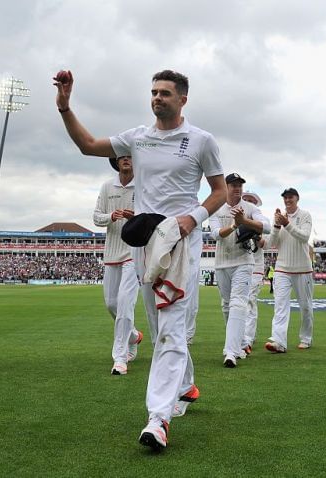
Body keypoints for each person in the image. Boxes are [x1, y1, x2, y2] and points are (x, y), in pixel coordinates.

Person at [54, 69, 226, 451]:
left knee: (170, 324)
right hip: (144, 242)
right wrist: (66, 107)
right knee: (159, 322)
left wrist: (190, 219)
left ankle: (158, 418)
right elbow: (86, 145)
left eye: (165, 93)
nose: (157, 98)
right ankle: (185, 385)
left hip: (181, 242)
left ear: (182, 99)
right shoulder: (137, 138)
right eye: (153, 92)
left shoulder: (201, 141)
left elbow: (219, 191)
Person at [209, 175, 270, 367]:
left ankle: (230, 352)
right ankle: (242, 342)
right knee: (227, 305)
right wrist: (235, 224)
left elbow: (266, 227)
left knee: (238, 303)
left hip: (244, 262)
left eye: (240, 186)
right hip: (221, 263)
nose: (238, 189)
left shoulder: (250, 208)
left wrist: (245, 221)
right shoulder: (217, 208)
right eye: (234, 185)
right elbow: (216, 234)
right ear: (226, 187)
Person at [93, 155, 143, 375]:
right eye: (121, 157)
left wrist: (136, 217)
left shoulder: (143, 185)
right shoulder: (107, 186)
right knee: (111, 304)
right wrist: (111, 216)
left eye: (129, 156)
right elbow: (96, 217)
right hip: (112, 252)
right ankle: (133, 336)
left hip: (134, 252)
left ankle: (120, 358)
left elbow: (153, 216)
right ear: (116, 162)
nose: (125, 160)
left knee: (124, 304)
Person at [265, 188, 314, 353]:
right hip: (282, 268)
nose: (287, 200)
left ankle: (306, 338)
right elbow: (272, 243)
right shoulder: (279, 218)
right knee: (280, 305)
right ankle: (278, 341)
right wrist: (277, 226)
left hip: (303, 269)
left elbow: (304, 237)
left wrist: (287, 223)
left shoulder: (305, 215)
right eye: (285, 198)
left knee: (305, 306)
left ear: (297, 198)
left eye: (290, 197)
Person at [241, 190, 267, 356]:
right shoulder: (234, 217)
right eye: (246, 199)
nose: (249, 202)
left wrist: (256, 235)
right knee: (237, 302)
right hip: (240, 266)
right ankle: (241, 335)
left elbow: (265, 243)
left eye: (252, 200)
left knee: (250, 300)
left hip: (256, 267)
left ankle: (247, 339)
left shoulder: (261, 222)